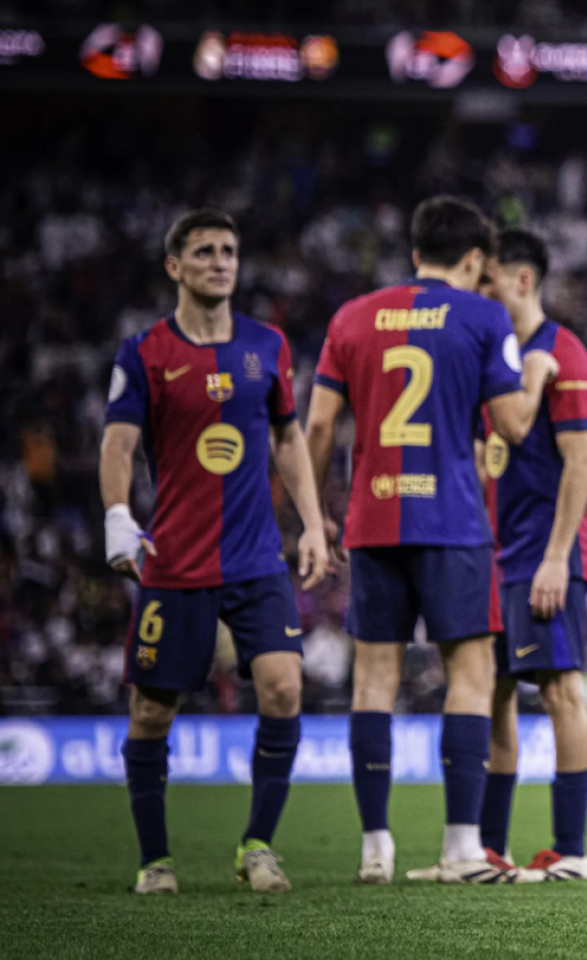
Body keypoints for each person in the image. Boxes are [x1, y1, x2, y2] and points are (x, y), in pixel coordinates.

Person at [305, 197, 557, 885]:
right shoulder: (484, 315)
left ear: (415, 251)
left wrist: (314, 516)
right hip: (450, 520)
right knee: (471, 676)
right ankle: (460, 846)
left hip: (373, 519)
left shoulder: (352, 317)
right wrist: (533, 379)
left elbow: (319, 428)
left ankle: (375, 844)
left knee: (374, 678)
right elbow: (510, 425)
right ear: (476, 259)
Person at [102, 209, 330, 894]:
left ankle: (258, 846)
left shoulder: (268, 345)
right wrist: (118, 514)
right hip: (176, 560)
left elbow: (289, 438)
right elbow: (118, 442)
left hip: (258, 558)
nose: (220, 261)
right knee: (151, 712)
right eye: (203, 251)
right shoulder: (143, 353)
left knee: (286, 690)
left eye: (229, 250)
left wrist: (314, 525)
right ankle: (155, 861)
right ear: (175, 266)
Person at [474, 229, 587, 881]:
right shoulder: (497, 355)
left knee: (561, 693)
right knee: (493, 694)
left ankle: (572, 850)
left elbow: (581, 462)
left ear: (521, 282)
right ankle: (488, 849)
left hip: (542, 557)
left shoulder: (565, 354)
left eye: (487, 277)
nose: (478, 287)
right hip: (493, 555)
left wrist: (556, 558)